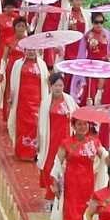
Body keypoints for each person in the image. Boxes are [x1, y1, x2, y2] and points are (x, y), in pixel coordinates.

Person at [53, 111, 107, 220]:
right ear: (74, 126)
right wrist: (55, 183)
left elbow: (105, 158)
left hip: (89, 185)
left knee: (85, 215)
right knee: (71, 216)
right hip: (72, 185)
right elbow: (57, 164)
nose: (82, 127)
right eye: (79, 124)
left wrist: (109, 156)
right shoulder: (66, 143)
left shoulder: (95, 142)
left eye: (85, 124)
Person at [36, 71, 76, 200]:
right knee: (49, 167)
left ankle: (62, 196)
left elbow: (77, 115)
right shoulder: (46, 103)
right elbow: (40, 122)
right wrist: (39, 140)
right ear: (51, 86)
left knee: (64, 168)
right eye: (56, 85)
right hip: (51, 141)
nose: (58, 88)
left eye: (60, 85)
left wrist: (89, 104)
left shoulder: (69, 100)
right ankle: (50, 196)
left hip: (66, 140)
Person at [7, 40, 49, 163]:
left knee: (36, 126)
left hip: (37, 102)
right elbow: (13, 82)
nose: (31, 52)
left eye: (33, 49)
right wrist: (12, 97)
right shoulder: (18, 64)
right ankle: (21, 152)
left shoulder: (42, 65)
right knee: (22, 127)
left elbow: (46, 84)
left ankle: (34, 152)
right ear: (25, 50)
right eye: (29, 49)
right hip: (22, 102)